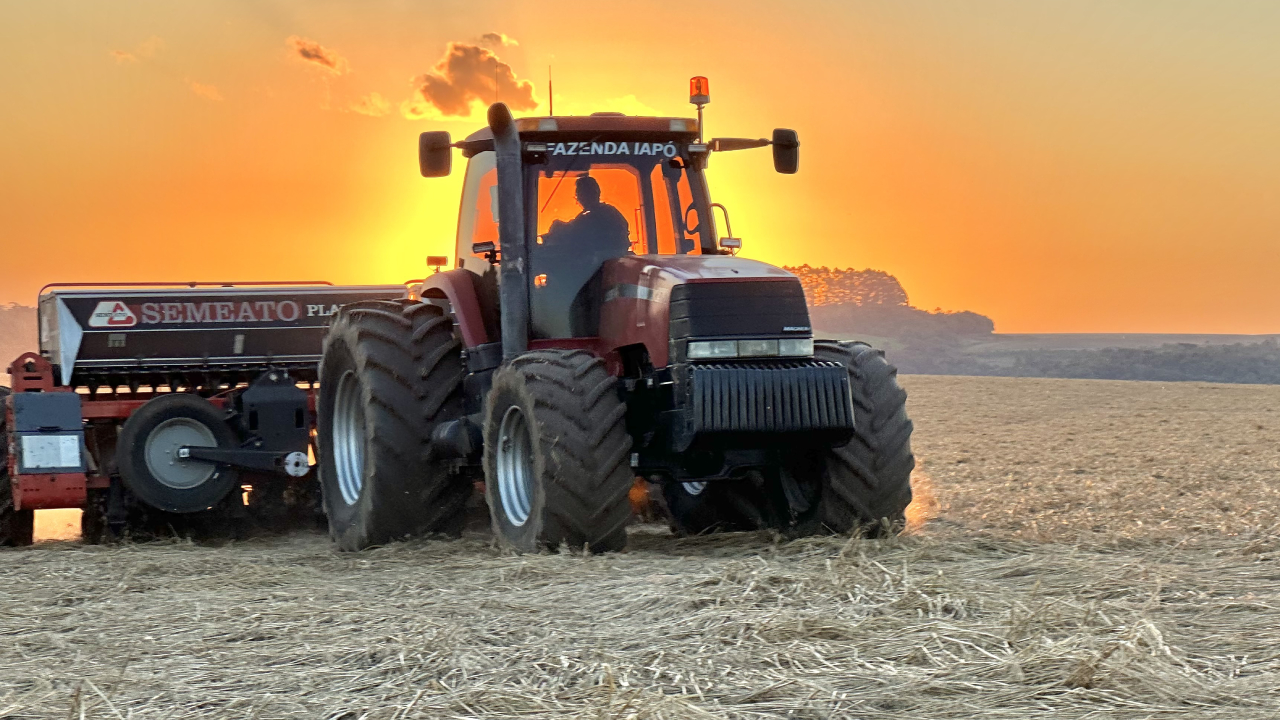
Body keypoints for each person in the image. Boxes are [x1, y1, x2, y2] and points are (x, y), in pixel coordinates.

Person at [543, 175, 631, 255]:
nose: (577, 201)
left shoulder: (592, 217)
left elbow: (574, 232)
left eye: (578, 195)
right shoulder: (611, 211)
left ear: (584, 195)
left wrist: (558, 227)